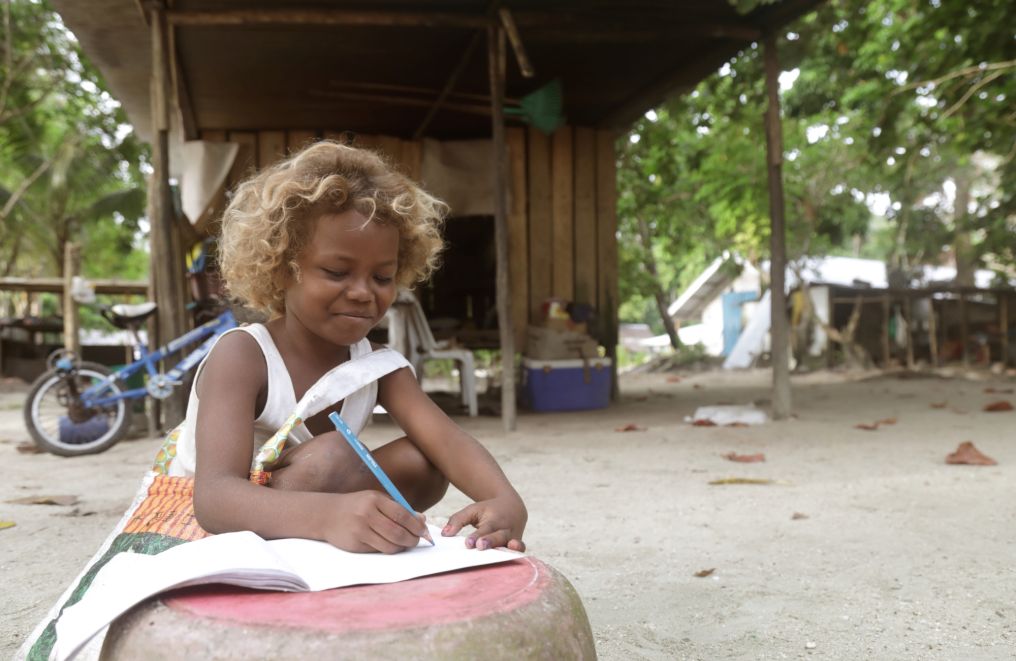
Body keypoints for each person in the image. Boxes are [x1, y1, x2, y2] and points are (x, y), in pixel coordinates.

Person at [172, 140, 527, 555]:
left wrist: (505, 499)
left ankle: (340, 531)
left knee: (425, 459)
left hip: (310, 504)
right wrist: (327, 516)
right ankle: (332, 528)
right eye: (337, 271)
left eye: (382, 277)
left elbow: (447, 442)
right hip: (213, 521)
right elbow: (214, 499)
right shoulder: (244, 355)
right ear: (282, 268)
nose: (362, 293)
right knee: (331, 456)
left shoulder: (377, 366)